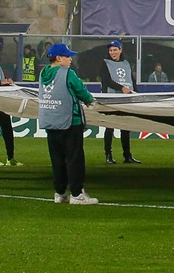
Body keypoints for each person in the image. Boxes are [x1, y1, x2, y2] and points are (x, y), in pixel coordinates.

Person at [40, 42, 98, 204]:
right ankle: (77, 193)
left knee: (57, 159)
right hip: (70, 121)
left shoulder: (44, 73)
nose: (70, 59)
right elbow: (81, 90)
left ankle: (60, 192)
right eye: (67, 56)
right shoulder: (67, 73)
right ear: (59, 58)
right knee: (74, 159)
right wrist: (89, 100)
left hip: (51, 121)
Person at [99, 40, 141, 165]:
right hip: (111, 98)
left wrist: (135, 93)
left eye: (115, 50)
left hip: (125, 99)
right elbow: (106, 80)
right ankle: (108, 155)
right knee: (110, 127)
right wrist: (121, 88)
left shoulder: (127, 64)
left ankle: (127, 155)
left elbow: (132, 80)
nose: (113, 52)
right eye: (111, 50)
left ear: (120, 50)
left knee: (125, 127)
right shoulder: (105, 63)